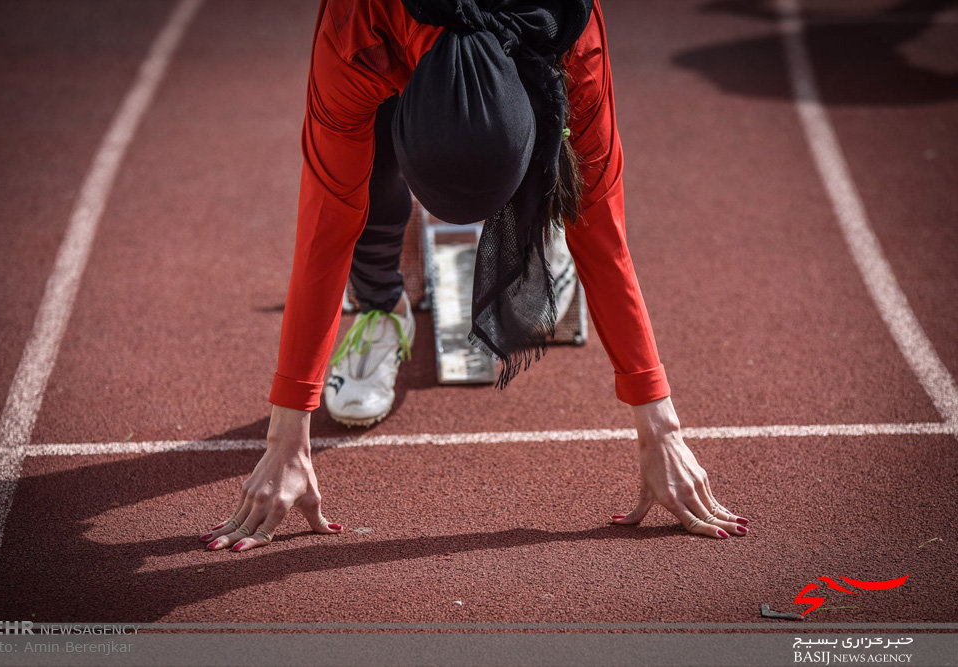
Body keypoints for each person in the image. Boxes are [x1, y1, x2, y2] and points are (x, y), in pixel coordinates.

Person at [199, 0, 749, 553]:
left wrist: (662, 427)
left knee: (573, 186)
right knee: (363, 183)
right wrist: (286, 435)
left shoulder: (573, 39)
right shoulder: (356, 33)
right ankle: (381, 307)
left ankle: (538, 192)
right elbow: (327, 226)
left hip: (529, 61)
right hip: (392, 33)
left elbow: (603, 232)